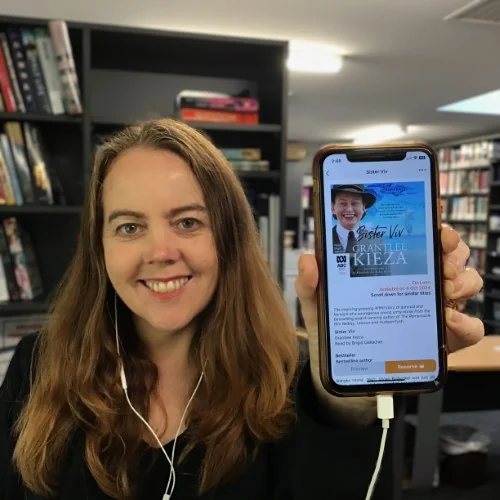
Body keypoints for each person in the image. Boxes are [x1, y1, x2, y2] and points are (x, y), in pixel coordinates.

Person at [0, 119, 484, 500]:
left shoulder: (287, 382)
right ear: (99, 247)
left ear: (229, 240)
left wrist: (346, 388)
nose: (160, 251)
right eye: (129, 227)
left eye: (187, 221)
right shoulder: (37, 367)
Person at [331, 184, 377, 254]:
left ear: (363, 208)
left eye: (355, 203)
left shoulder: (376, 241)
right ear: (333, 208)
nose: (349, 209)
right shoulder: (325, 240)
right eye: (343, 203)